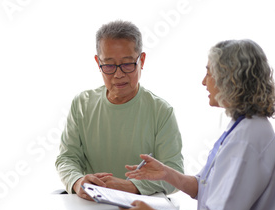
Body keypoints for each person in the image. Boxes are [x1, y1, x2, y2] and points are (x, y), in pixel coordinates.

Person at [122, 39, 275, 210]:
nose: (203, 81)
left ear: (230, 78)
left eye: (209, 73)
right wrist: (166, 173)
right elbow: (204, 188)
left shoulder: (247, 138)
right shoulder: (242, 126)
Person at [55, 20, 184, 199]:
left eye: (127, 64)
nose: (118, 74)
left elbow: (175, 172)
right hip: (91, 206)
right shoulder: (82, 104)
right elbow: (66, 158)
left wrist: (130, 186)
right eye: (108, 65)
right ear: (97, 62)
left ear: (142, 60)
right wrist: (77, 181)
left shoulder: (161, 111)